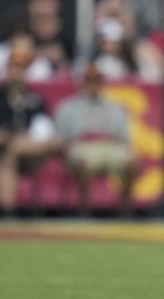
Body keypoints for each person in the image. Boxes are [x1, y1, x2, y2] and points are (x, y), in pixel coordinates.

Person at [0, 46, 58, 214]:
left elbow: (44, 129)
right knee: (6, 158)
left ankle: (7, 214)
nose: (17, 72)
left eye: (21, 68)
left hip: (27, 152)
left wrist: (20, 140)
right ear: (6, 69)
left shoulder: (34, 99)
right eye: (14, 67)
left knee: (41, 144)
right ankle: (8, 213)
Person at [54, 63, 138, 215]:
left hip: (109, 146)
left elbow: (124, 138)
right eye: (89, 81)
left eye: (96, 81)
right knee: (83, 161)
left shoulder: (115, 107)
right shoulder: (68, 107)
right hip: (82, 146)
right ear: (83, 83)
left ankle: (125, 209)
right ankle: (84, 209)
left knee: (131, 161)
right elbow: (62, 140)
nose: (93, 85)